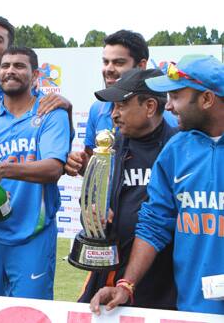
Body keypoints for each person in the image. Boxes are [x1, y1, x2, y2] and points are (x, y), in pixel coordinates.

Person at [90, 55, 224, 314]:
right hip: (191, 309)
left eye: (175, 97)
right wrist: (126, 284)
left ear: (207, 99)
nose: (170, 107)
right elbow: (154, 223)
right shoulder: (176, 150)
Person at [0, 46, 71, 299]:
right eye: (5, 66)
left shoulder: (50, 114)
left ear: (35, 76)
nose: (10, 70)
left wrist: (3, 170)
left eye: (19, 66)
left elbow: (54, 168)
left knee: (28, 314)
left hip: (34, 232)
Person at [76, 69, 177, 310]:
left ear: (150, 107)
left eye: (121, 105)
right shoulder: (110, 147)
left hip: (162, 281)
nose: (114, 115)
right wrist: (92, 215)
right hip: (109, 272)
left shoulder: (177, 149)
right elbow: (91, 200)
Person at [66, 30, 177, 176]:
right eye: (106, 62)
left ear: (141, 66)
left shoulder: (169, 120)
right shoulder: (97, 109)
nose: (109, 69)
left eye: (119, 62)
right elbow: (94, 164)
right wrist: (80, 164)